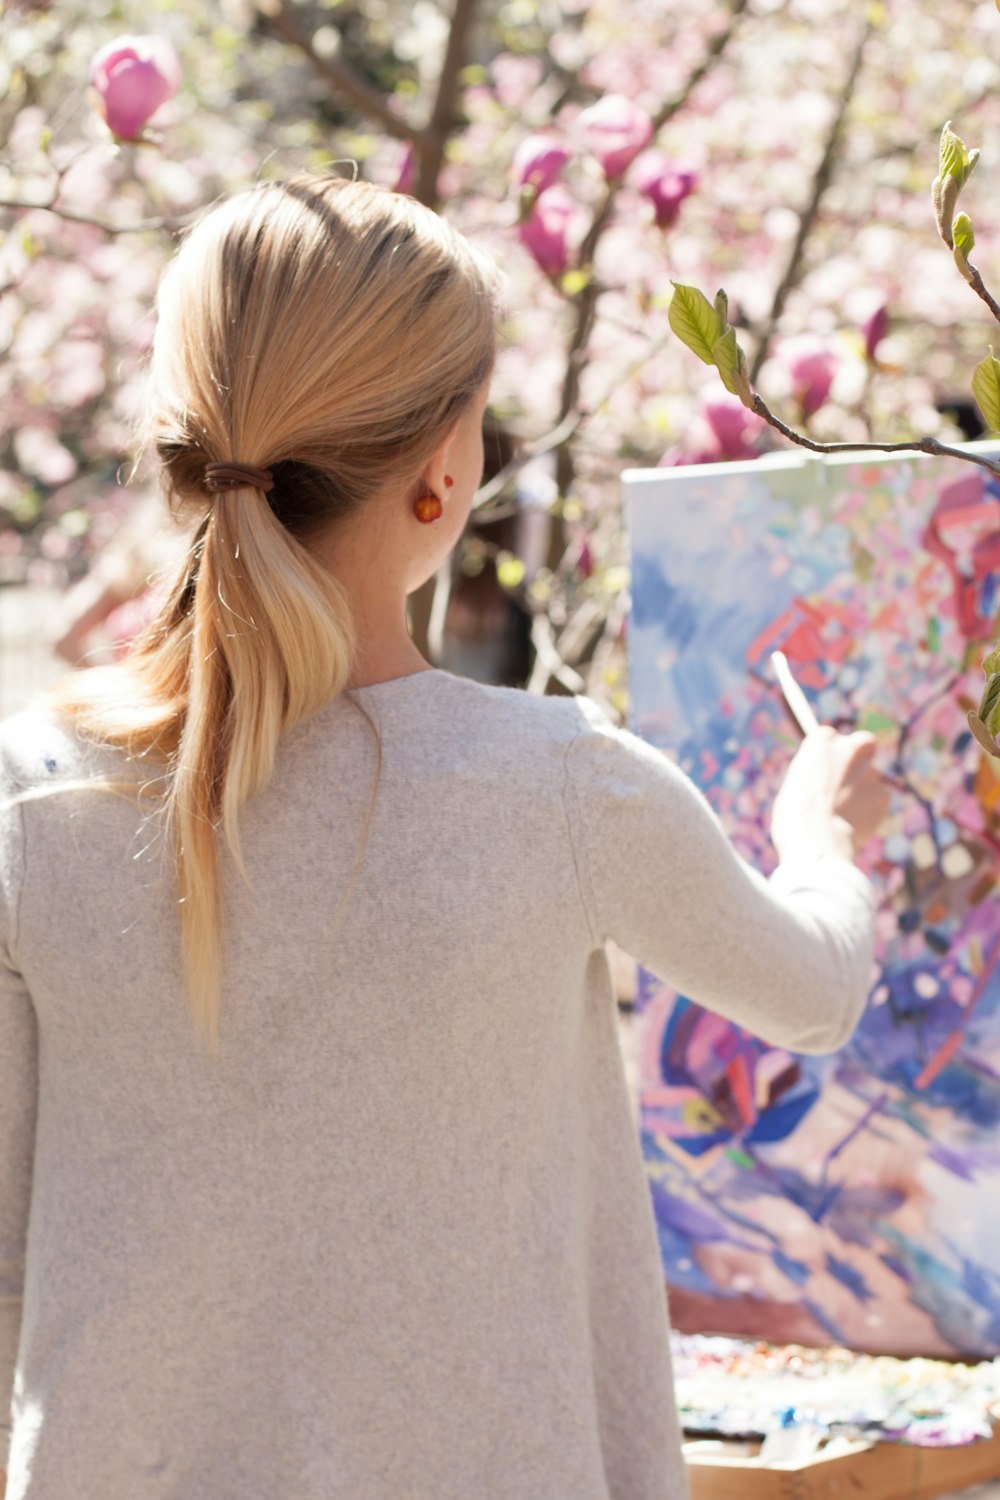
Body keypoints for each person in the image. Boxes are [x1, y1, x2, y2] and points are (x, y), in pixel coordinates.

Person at [0, 175, 886, 1500]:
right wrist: (822, 834)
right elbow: (812, 992)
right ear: (448, 467)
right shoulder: (566, 787)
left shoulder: (34, 796)